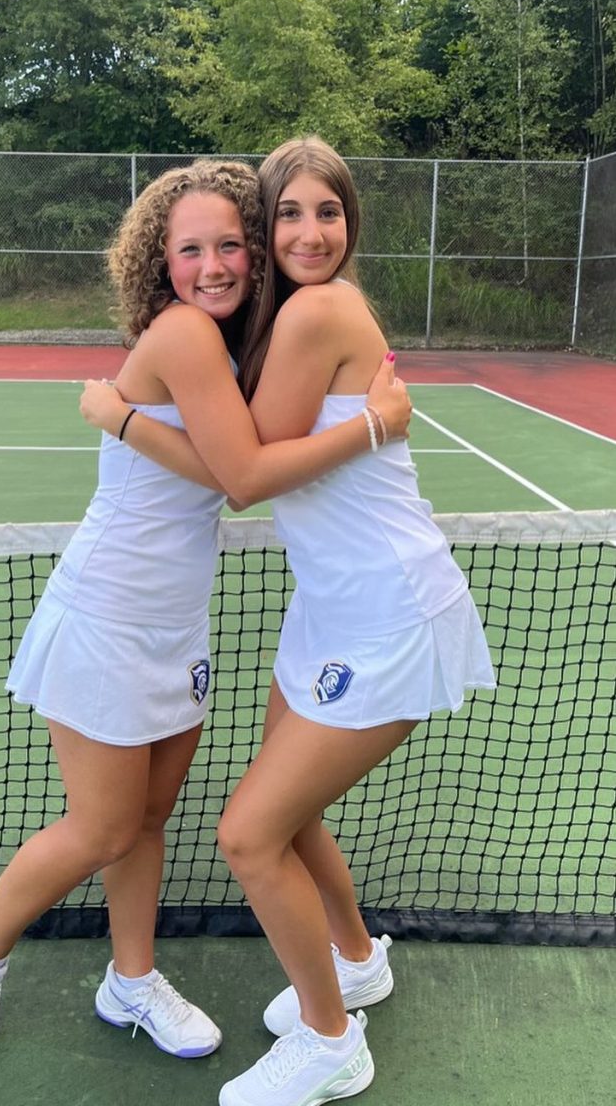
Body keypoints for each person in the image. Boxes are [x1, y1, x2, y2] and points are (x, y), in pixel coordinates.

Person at [0, 157, 412, 1062]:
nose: (214, 265)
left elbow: (252, 447)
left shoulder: (244, 342)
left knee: (148, 822)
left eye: (231, 243)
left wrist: (125, 417)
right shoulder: (189, 335)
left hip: (174, 624)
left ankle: (130, 980)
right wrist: (375, 423)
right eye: (190, 248)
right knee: (103, 826)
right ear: (160, 259)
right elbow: (240, 479)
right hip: (109, 613)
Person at [86, 136, 496, 1106]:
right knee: (288, 811)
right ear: (263, 231)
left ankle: (329, 1040)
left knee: (247, 835)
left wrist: (125, 417)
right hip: (329, 608)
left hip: (389, 612)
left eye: (330, 211)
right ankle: (353, 960)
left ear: (349, 222)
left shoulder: (318, 311)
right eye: (289, 214)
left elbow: (245, 470)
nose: (312, 232)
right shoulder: (285, 322)